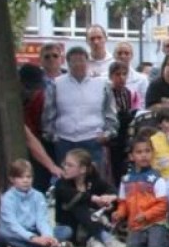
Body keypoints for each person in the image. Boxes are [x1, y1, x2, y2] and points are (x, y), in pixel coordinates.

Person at [43, 44, 116, 174]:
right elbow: (48, 114)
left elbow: (110, 113)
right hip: (65, 141)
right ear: (68, 63)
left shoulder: (102, 84)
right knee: (66, 178)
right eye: (74, 61)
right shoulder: (57, 84)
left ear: (87, 62)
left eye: (81, 60)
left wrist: (108, 134)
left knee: (93, 179)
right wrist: (53, 136)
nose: (78, 64)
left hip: (93, 140)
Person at [114, 133, 169, 247]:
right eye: (139, 152)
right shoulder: (126, 180)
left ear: (153, 154)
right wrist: (119, 213)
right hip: (135, 225)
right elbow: (123, 203)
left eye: (147, 151)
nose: (144, 155)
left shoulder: (157, 179)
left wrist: (146, 215)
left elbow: (163, 205)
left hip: (156, 223)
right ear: (131, 156)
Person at [0, 158, 66, 247]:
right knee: (3, 234)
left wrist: (47, 236)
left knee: (65, 230)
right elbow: (12, 224)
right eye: (21, 177)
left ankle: (44, 245)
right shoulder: (7, 198)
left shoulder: (38, 196)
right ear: (12, 179)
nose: (25, 180)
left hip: (35, 230)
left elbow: (42, 220)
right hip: (17, 232)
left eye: (28, 177)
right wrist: (33, 238)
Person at [53, 149, 118, 247]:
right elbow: (74, 195)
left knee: (114, 204)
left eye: (70, 165)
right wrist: (95, 199)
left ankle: (94, 239)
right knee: (79, 205)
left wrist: (109, 198)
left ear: (83, 169)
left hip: (91, 223)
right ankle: (102, 236)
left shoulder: (93, 180)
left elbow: (112, 190)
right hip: (70, 227)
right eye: (65, 164)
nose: (65, 168)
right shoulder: (61, 184)